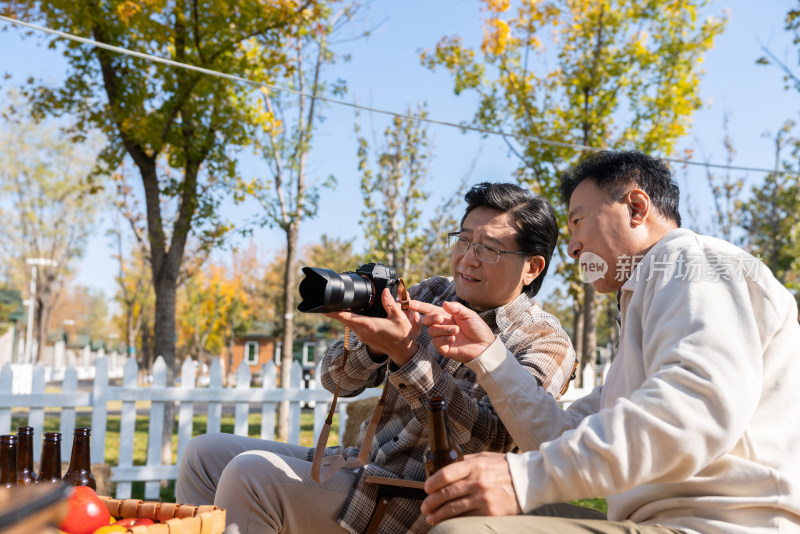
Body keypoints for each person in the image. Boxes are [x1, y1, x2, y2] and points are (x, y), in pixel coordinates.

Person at [416, 151, 800, 534]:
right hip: (654, 522)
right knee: (464, 516)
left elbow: (694, 409)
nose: (572, 246)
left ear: (636, 207)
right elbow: (560, 436)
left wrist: (523, 479)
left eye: (578, 221)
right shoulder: (648, 307)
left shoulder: (695, 264)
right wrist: (488, 355)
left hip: (716, 525)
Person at [176, 182, 578, 534]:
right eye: (464, 239)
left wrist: (407, 353)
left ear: (532, 267)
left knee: (252, 477)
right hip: (361, 466)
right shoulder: (433, 293)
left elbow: (486, 442)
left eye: (488, 248)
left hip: (414, 501)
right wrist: (371, 345)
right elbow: (337, 381)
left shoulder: (545, 342)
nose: (468, 258)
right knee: (204, 454)